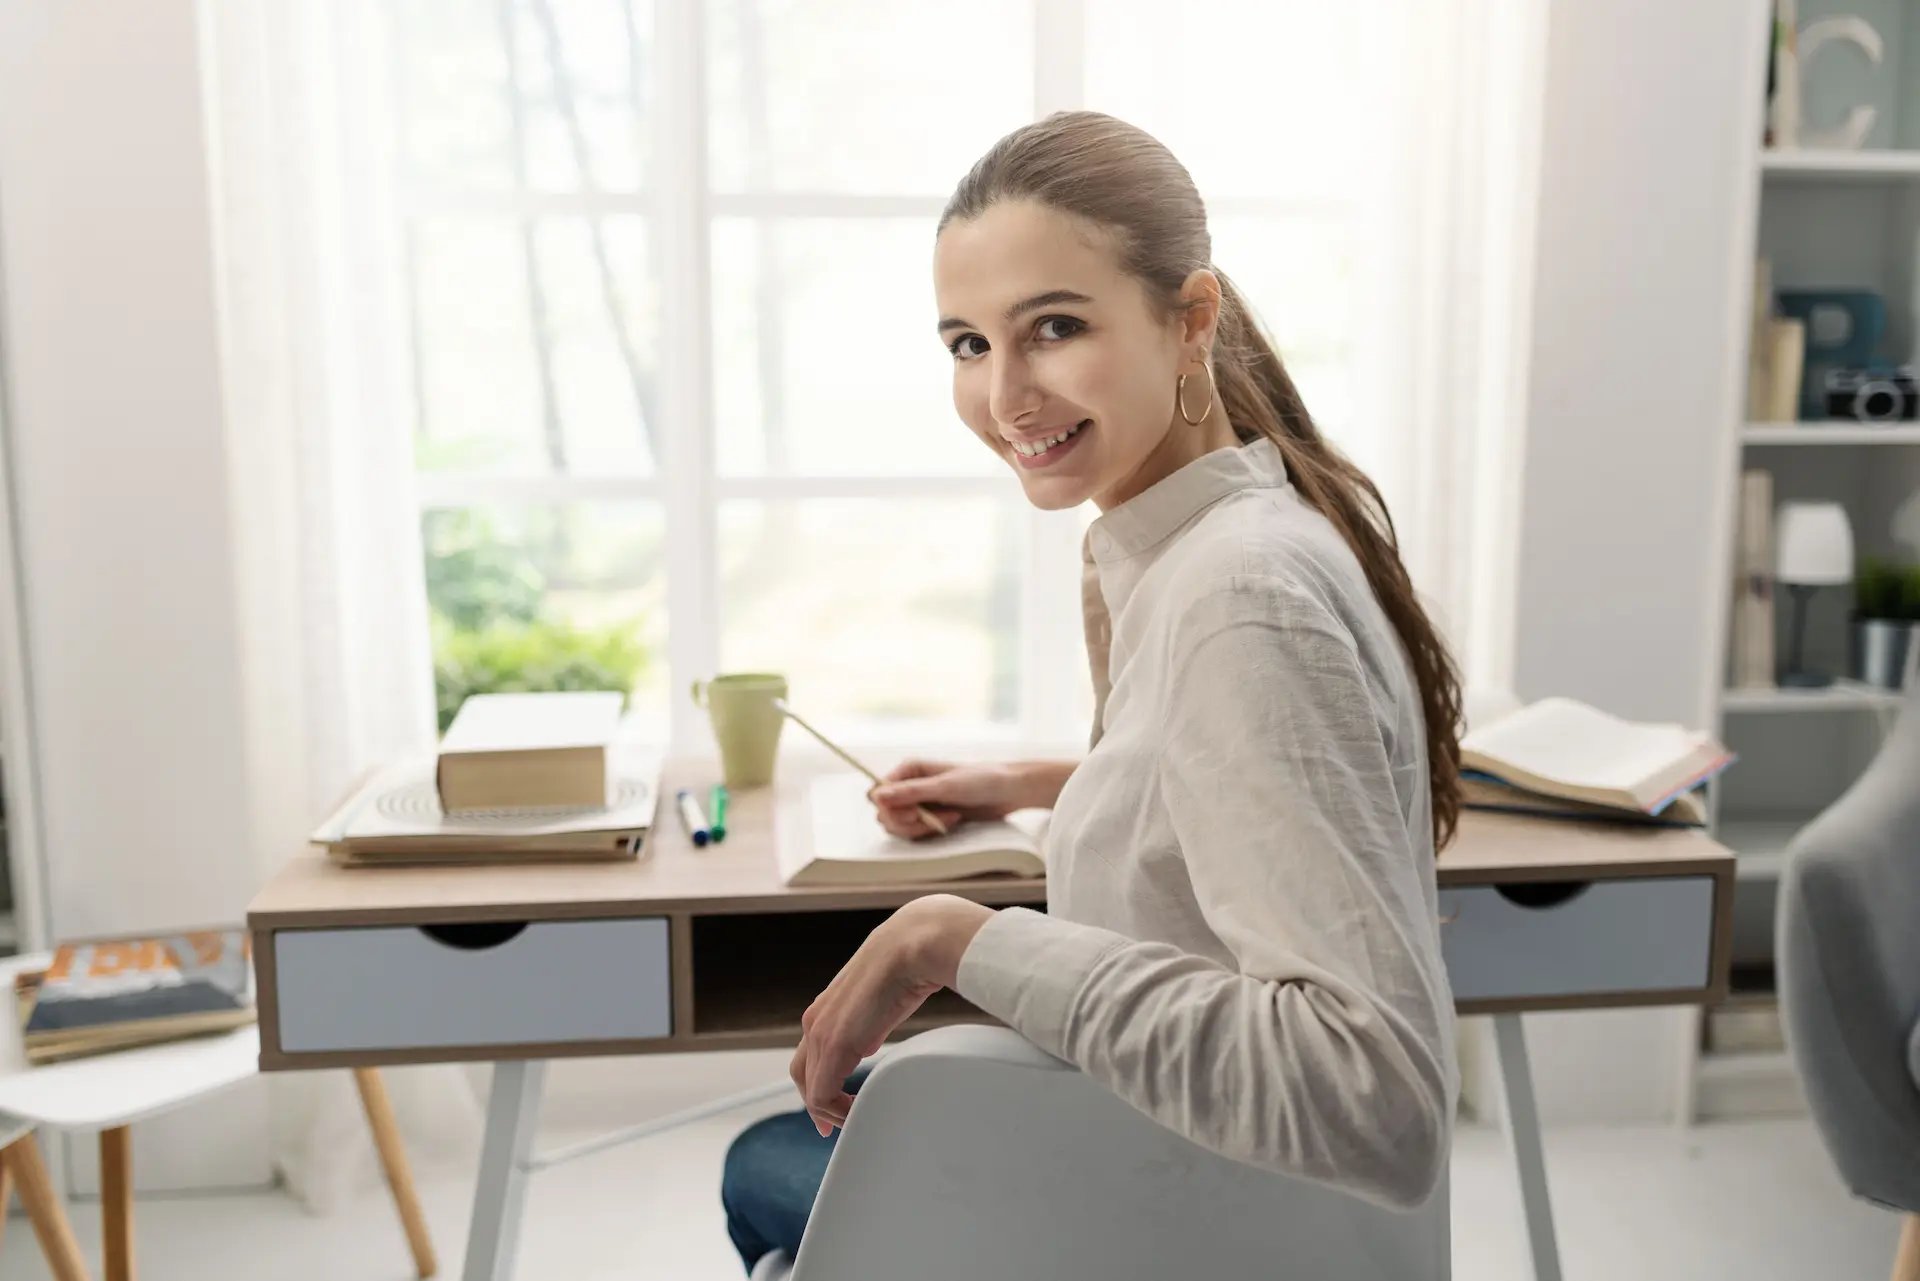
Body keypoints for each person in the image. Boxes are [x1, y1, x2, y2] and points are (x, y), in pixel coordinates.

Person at [720, 109, 1462, 1277]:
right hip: (1174, 1176)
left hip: (1199, 1219)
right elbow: (1250, 776)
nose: (1005, 394)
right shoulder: (1211, 546)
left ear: (1191, 321)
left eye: (1053, 329)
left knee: (766, 1166)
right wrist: (1034, 785)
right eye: (967, 344)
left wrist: (952, 939)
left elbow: (1371, 1096)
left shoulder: (1236, 594)